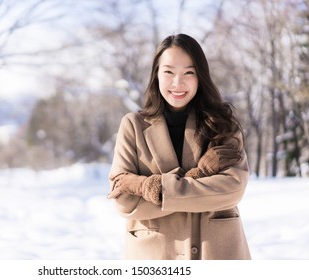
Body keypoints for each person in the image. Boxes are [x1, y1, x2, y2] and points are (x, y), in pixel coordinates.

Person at [107, 33, 251, 260]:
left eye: (189, 73)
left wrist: (148, 187)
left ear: (200, 76)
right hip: (153, 256)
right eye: (169, 72)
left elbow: (232, 189)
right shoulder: (133, 126)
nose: (177, 83)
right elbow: (124, 201)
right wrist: (200, 177)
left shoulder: (223, 124)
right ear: (156, 74)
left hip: (217, 252)